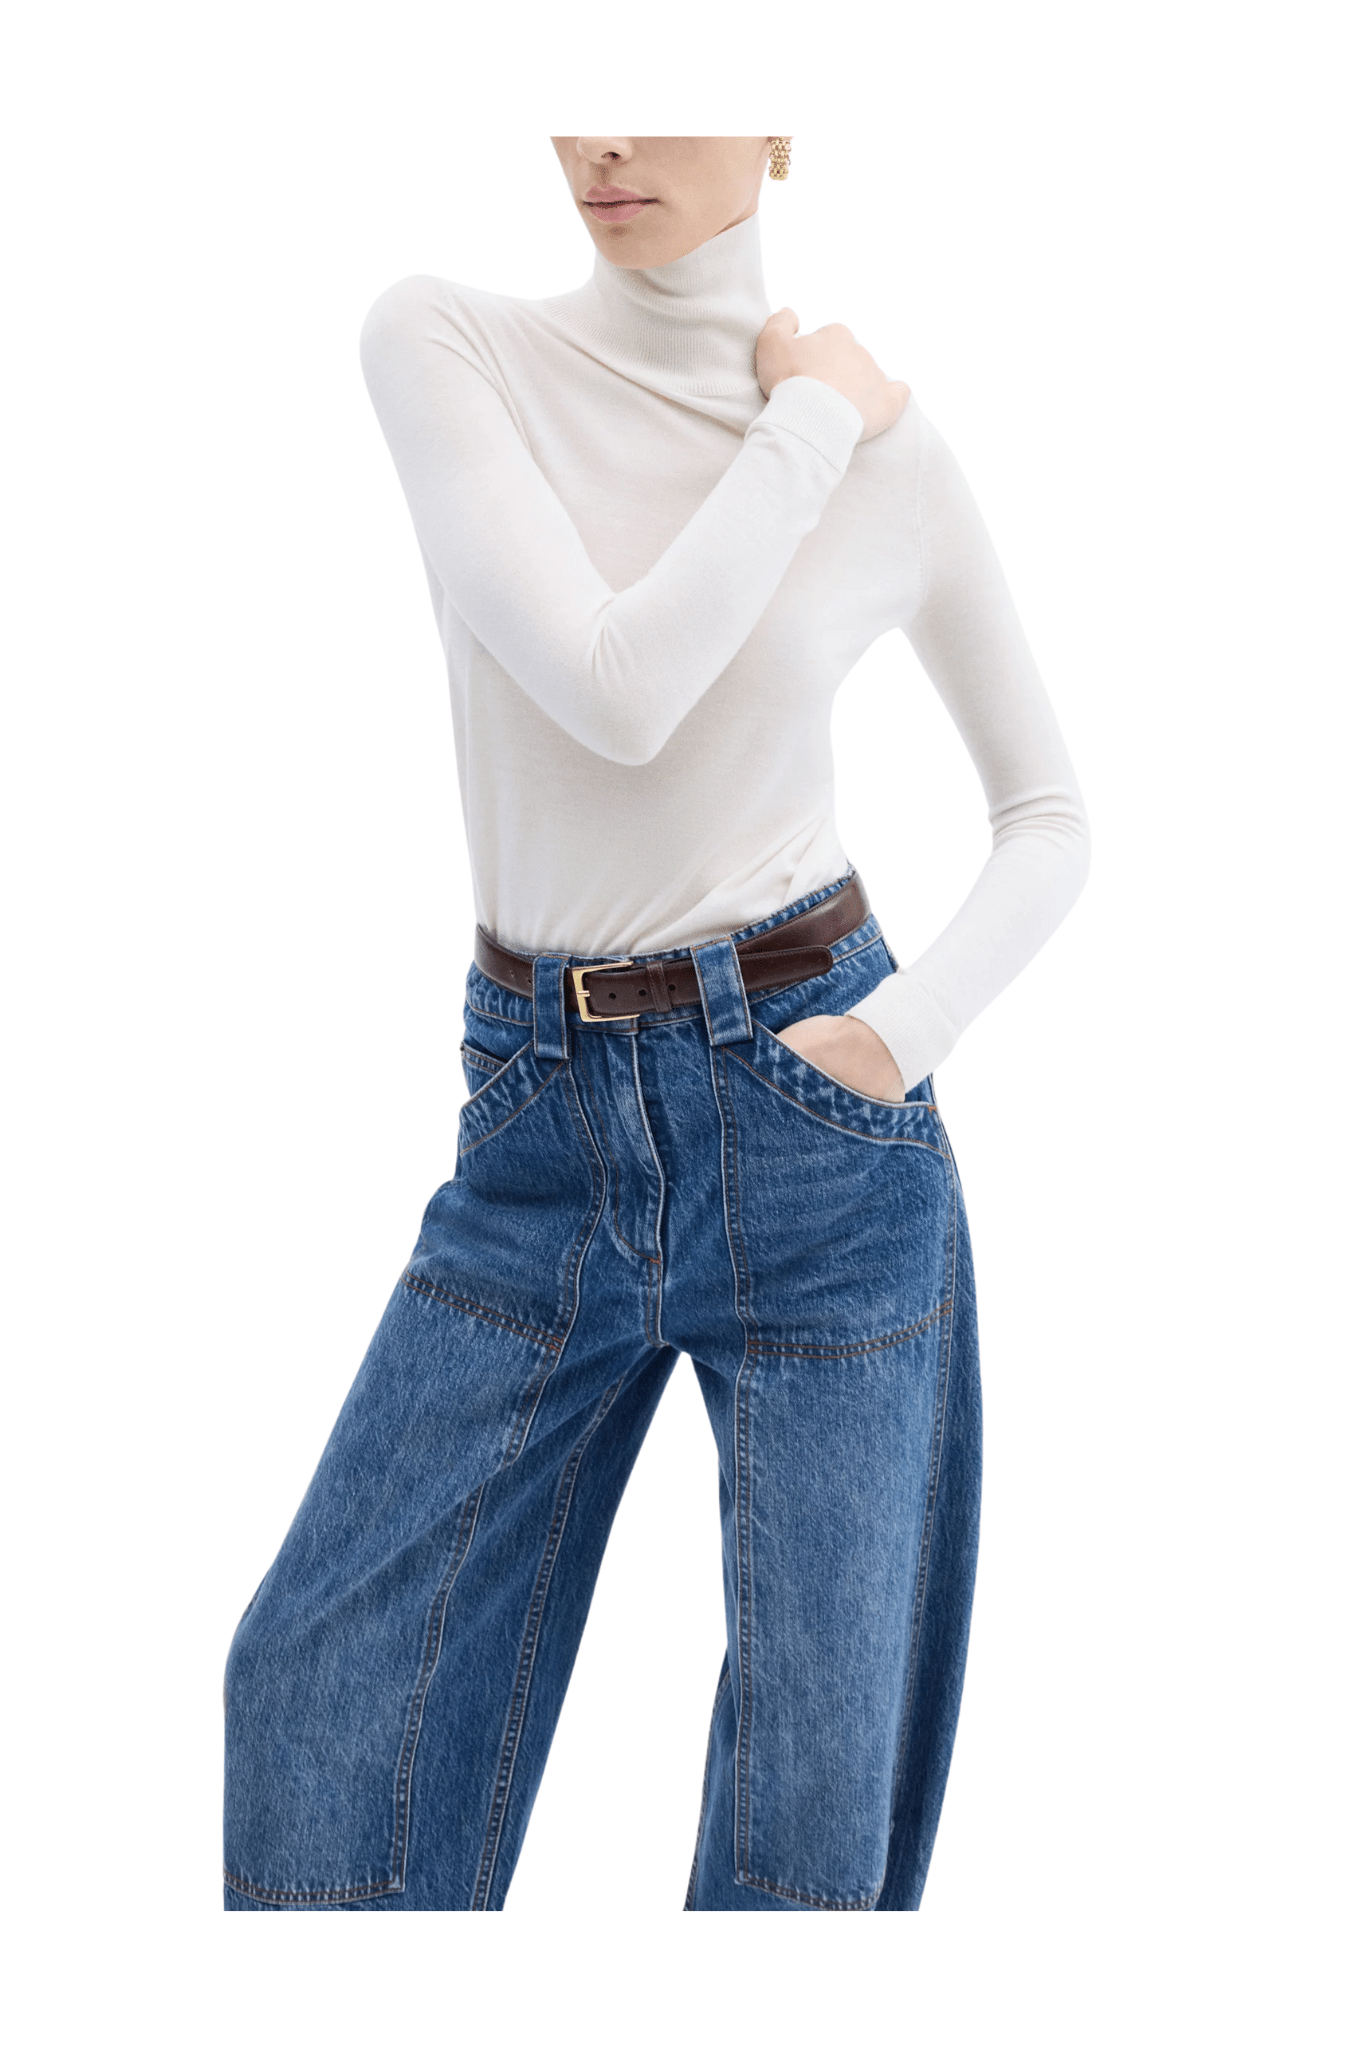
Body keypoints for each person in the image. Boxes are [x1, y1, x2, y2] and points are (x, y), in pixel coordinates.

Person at [222, 134, 1089, 1913]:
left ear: (779, 125)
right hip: (539, 1126)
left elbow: (1050, 817)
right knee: (316, 1689)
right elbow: (619, 689)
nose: (606, 136)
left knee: (810, 1809)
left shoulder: (900, 461)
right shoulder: (452, 343)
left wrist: (895, 1042)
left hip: (817, 1120)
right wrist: (807, 418)